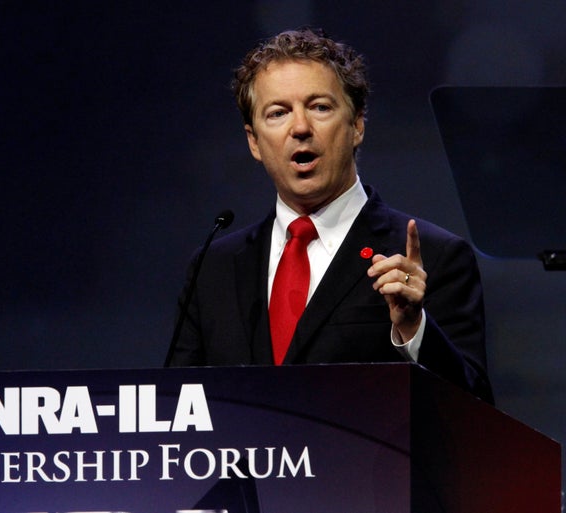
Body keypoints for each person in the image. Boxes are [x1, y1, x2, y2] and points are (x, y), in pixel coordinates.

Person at [167, 28, 493, 404]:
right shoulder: (213, 269)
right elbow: (179, 410)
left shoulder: (436, 258)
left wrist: (414, 328)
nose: (301, 128)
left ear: (356, 125)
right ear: (254, 142)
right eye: (278, 113)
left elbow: (477, 417)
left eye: (320, 107)